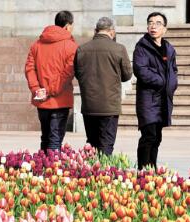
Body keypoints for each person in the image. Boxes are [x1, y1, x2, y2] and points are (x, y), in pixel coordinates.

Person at [74, 17, 133, 155]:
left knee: (92, 144)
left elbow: (78, 74)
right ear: (112, 32)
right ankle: (103, 174)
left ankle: (91, 174)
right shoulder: (119, 49)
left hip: (89, 105)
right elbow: (127, 75)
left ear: (96, 31)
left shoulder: (82, 49)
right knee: (106, 144)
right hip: (109, 106)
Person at [25, 10, 78, 153]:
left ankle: (41, 170)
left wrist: (37, 89)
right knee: (55, 140)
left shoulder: (36, 45)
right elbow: (67, 74)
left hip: (41, 100)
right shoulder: (71, 46)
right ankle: (51, 171)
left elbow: (29, 69)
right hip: (60, 100)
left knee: (45, 138)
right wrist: (50, 90)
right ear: (67, 26)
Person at [133, 12, 178, 170]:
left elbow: (173, 71)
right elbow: (141, 71)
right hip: (148, 99)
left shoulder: (169, 49)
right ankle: (143, 171)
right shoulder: (142, 47)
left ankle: (151, 170)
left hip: (163, 99)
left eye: (158, 23)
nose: (154, 26)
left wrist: (172, 85)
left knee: (157, 137)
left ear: (164, 29)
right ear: (147, 27)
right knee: (149, 136)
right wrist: (163, 82)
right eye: (151, 23)